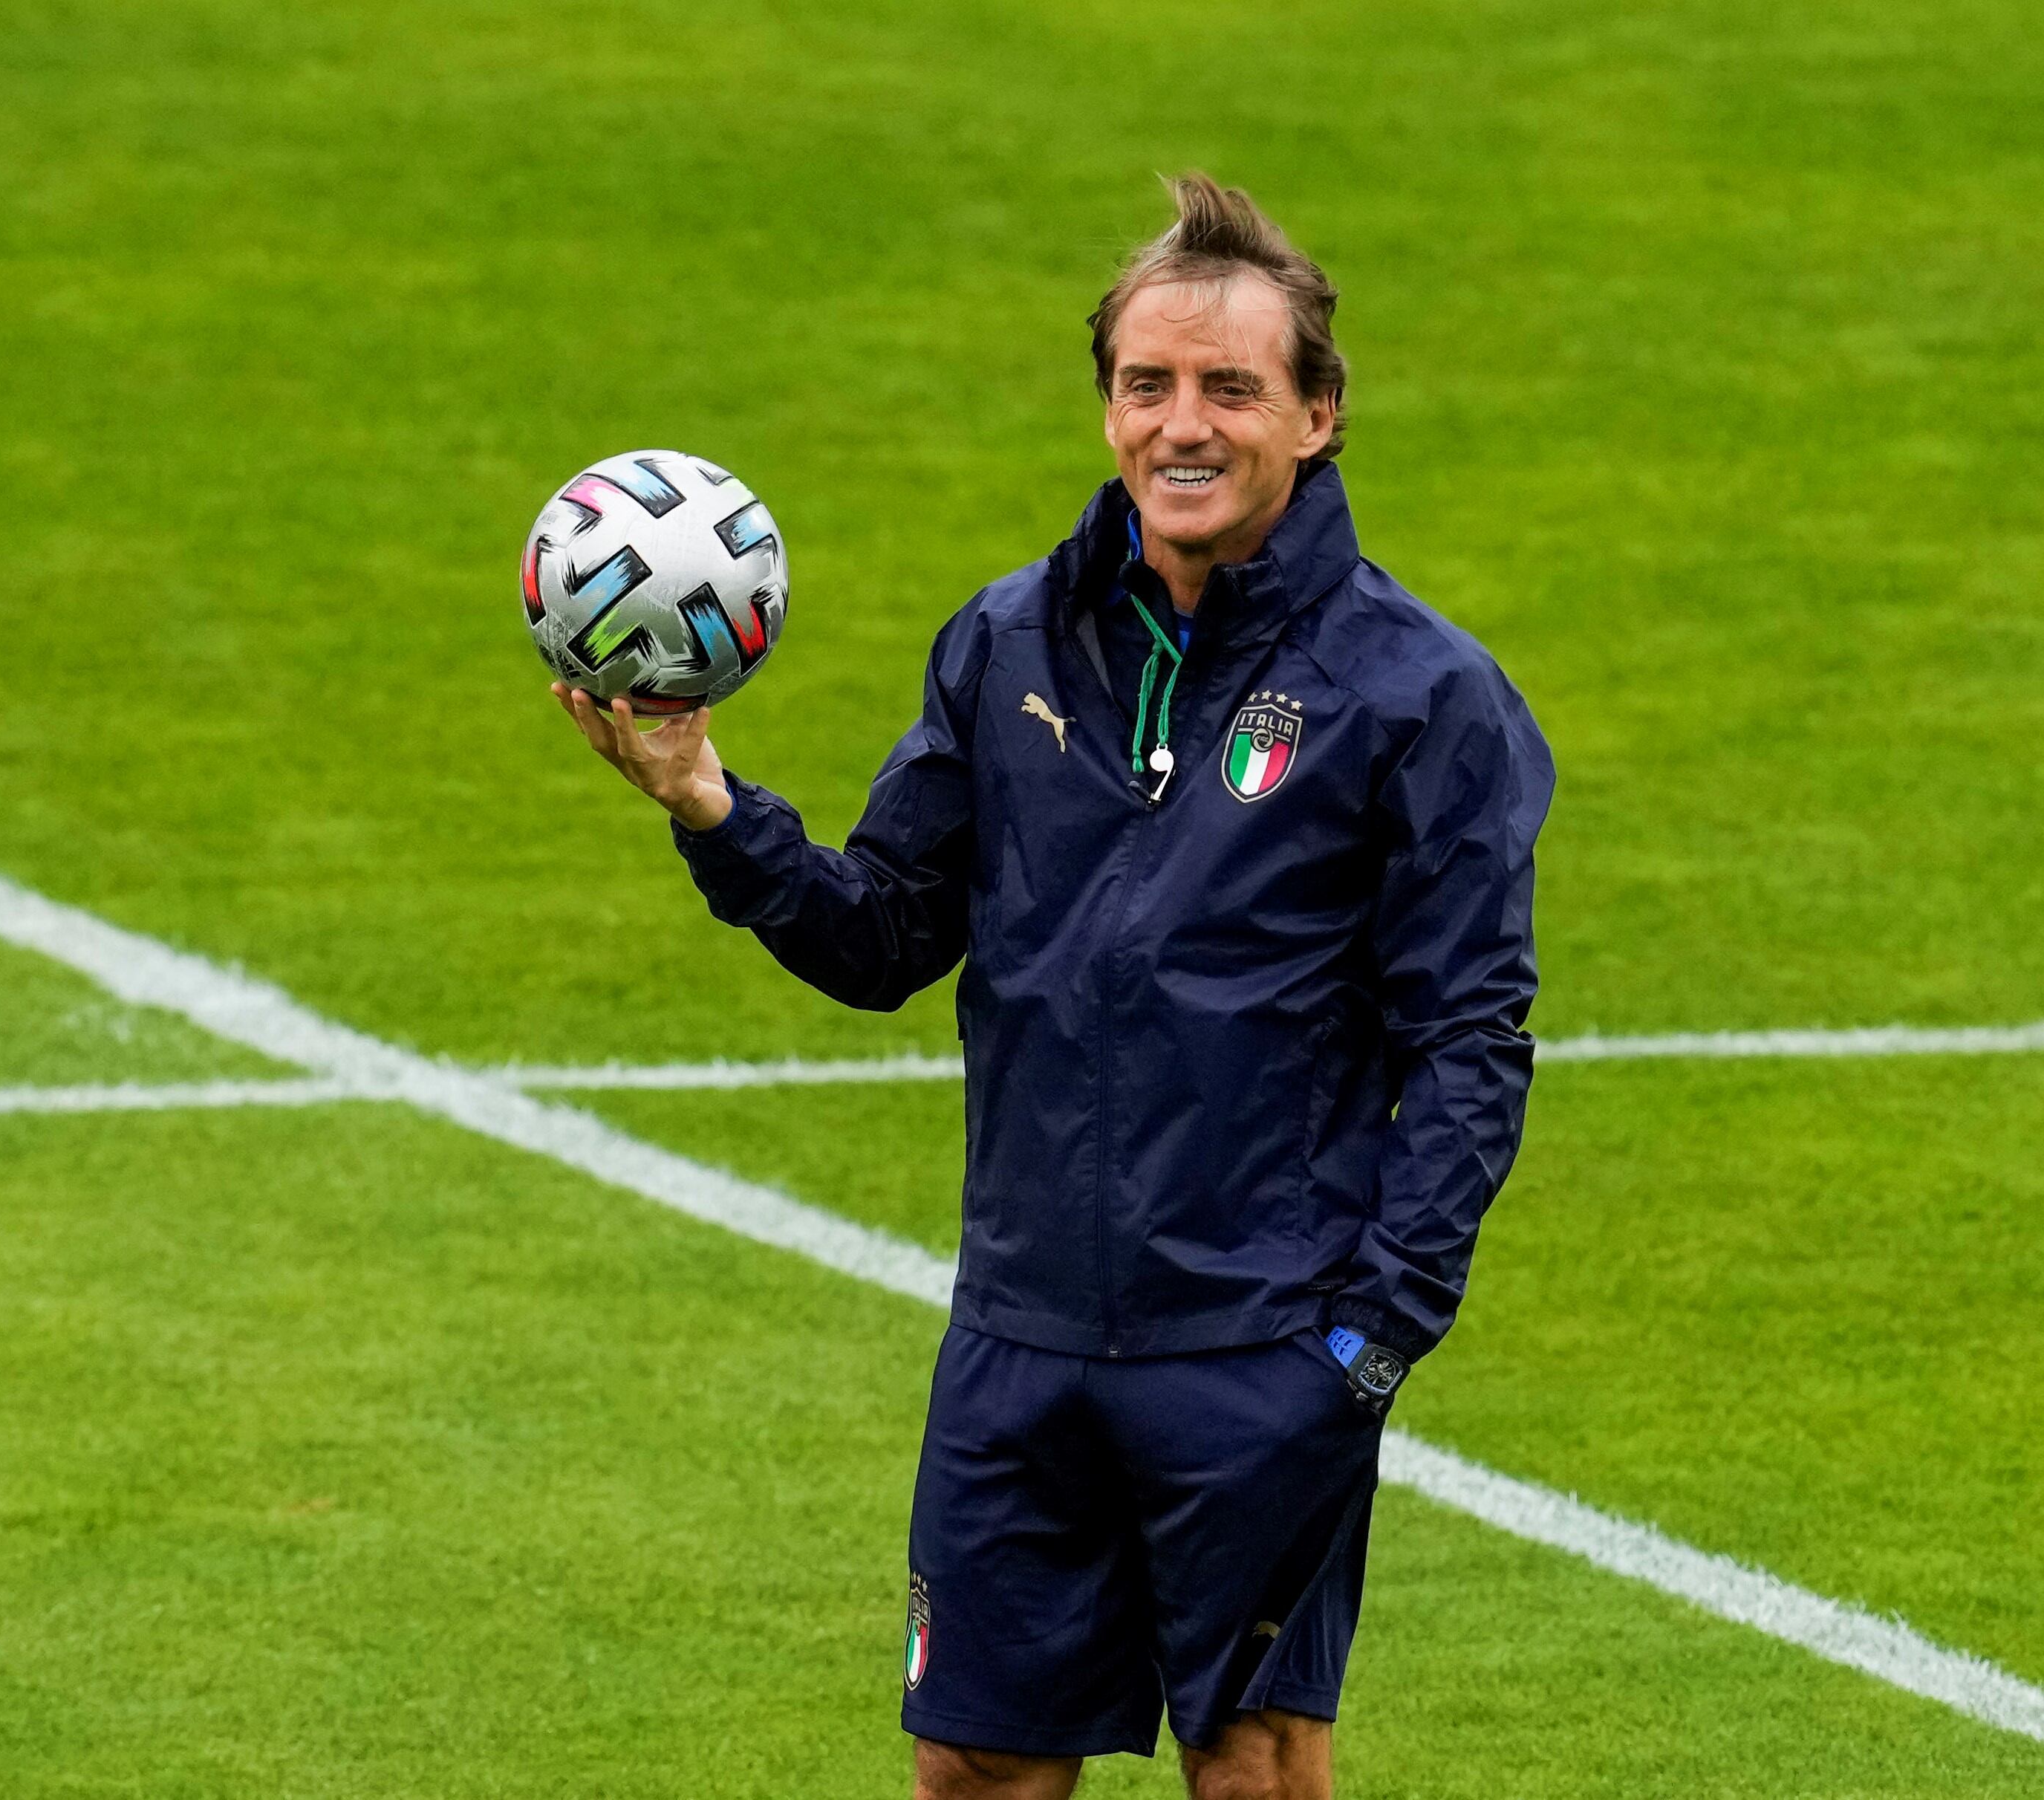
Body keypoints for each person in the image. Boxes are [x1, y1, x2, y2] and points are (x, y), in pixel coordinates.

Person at [556, 174, 1553, 1800]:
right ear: (1105, 410)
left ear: (1315, 417)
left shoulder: (1415, 695)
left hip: (1259, 1342)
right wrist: (710, 810)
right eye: (1146, 384)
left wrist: (1373, 1339)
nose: (1183, 423)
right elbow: (884, 936)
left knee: (1252, 1764)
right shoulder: (1007, 643)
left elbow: (1465, 1043)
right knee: (973, 1772)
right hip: (1021, 1339)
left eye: (1229, 388)